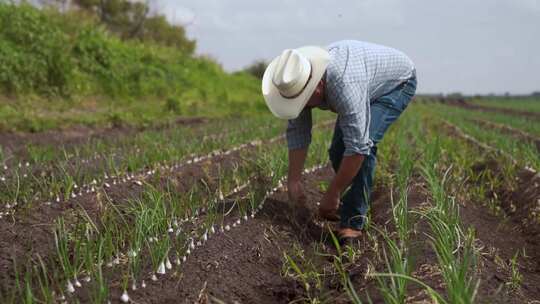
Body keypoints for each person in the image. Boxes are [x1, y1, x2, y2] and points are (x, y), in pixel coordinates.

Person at [261, 40, 416, 242]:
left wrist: (333, 192)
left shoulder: (343, 83)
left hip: (396, 83)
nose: (301, 106)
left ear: (318, 87)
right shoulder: (296, 80)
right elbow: (298, 131)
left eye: (304, 100)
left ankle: (353, 222)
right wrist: (294, 180)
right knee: (337, 151)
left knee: (364, 142)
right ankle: (347, 203)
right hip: (363, 82)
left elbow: (358, 147)